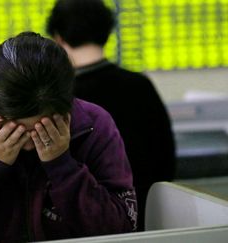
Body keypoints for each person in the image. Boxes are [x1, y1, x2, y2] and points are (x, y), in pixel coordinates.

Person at [0, 32, 137, 243]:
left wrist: (62, 166)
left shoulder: (94, 125)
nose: (28, 145)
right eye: (11, 129)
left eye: (41, 129)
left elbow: (122, 231)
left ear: (66, 111)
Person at [47, 0, 176, 231]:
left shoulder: (58, 96)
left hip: (79, 223)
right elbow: (165, 161)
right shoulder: (140, 86)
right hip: (143, 219)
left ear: (58, 38)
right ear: (107, 32)